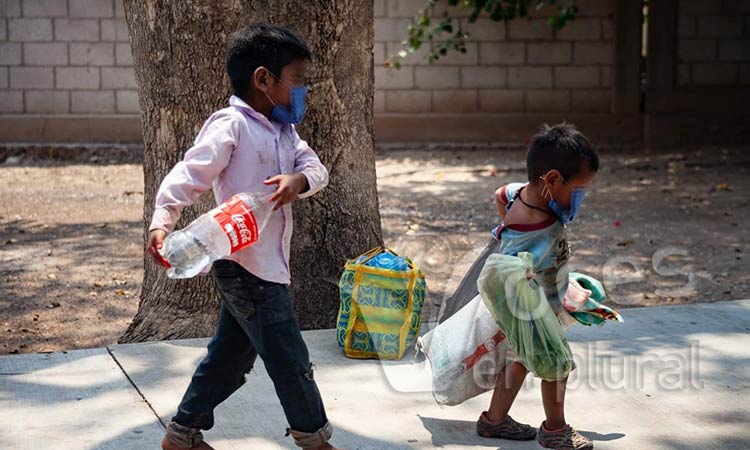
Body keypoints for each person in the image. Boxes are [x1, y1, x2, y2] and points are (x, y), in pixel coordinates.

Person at [146, 23, 340, 450]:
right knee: (291, 361)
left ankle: (182, 435)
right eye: (296, 79)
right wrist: (163, 221)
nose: (302, 90)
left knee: (229, 362)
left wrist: (298, 180)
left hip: (268, 265)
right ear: (263, 80)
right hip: (243, 266)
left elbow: (317, 170)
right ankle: (314, 438)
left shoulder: (286, 132)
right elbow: (189, 175)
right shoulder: (231, 125)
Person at [474, 123, 599, 450]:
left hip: (537, 305)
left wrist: (505, 224)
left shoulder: (520, 193)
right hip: (532, 312)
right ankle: (555, 430)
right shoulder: (536, 230)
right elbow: (508, 272)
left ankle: (494, 420)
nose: (580, 198)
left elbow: (500, 193)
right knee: (556, 365)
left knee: (520, 360)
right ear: (553, 180)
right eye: (579, 190)